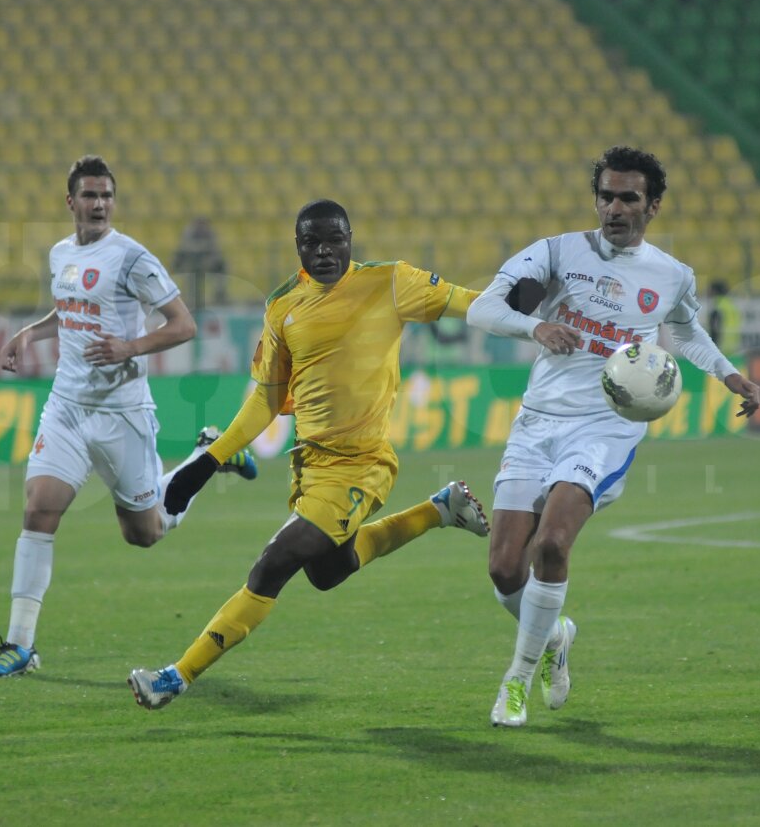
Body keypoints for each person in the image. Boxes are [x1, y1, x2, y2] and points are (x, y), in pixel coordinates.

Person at [127, 199, 491, 710]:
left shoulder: (391, 282)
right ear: (297, 246)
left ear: (350, 238)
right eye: (311, 242)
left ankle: (176, 676)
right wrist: (208, 464)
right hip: (312, 466)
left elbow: (470, 301)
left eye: (334, 240)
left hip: (363, 465)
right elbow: (267, 399)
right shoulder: (283, 305)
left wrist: (531, 307)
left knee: (273, 564)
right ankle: (439, 509)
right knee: (326, 572)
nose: (323, 251)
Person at [466, 145, 760, 727]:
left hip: (606, 425)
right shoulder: (556, 252)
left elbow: (686, 330)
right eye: (606, 196)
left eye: (628, 198)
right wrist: (537, 324)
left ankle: (516, 683)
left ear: (652, 206)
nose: (614, 208)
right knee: (504, 569)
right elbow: (481, 308)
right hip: (538, 420)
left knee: (552, 545)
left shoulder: (672, 275)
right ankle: (555, 636)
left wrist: (728, 373)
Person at [0, 155, 257, 678]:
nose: (99, 203)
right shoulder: (60, 253)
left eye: (106, 195)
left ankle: (206, 456)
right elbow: (70, 309)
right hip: (67, 407)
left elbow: (183, 325)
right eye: (89, 195)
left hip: (121, 413)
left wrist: (130, 345)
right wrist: (30, 333)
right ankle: (18, 645)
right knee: (39, 509)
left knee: (145, 533)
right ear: (71, 202)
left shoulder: (132, 258)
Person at [173, 215, 228, 307]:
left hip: (207, 261)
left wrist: (207, 260)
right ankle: (182, 296)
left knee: (221, 266)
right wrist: (201, 247)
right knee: (187, 270)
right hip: (190, 261)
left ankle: (219, 294)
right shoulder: (189, 232)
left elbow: (214, 249)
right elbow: (185, 247)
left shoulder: (210, 233)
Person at [707, 278, 742, 355]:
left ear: (714, 291)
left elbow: (714, 330)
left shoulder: (717, 306)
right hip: (734, 348)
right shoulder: (731, 305)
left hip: (721, 348)